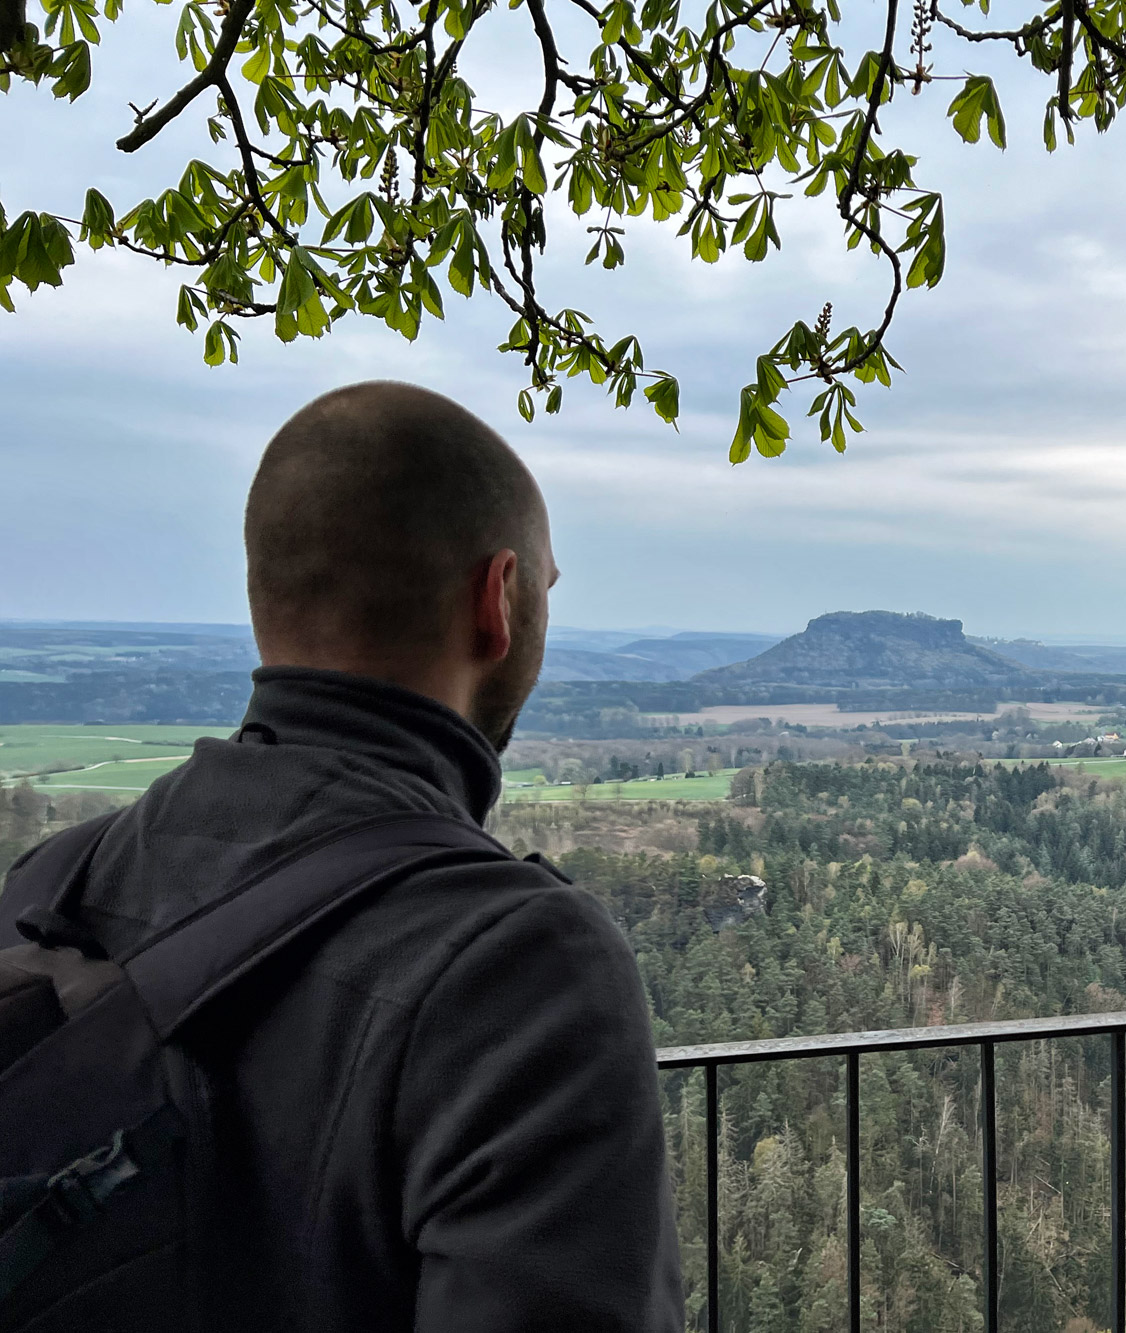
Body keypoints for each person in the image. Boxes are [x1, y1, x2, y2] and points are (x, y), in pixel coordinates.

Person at [3, 382, 683, 1331]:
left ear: (267, 603)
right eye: (542, 589)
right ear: (498, 602)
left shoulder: (48, 889)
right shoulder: (519, 968)